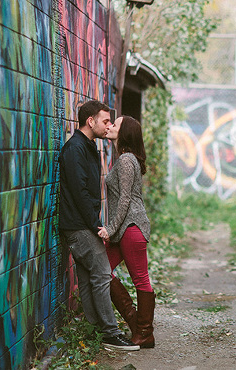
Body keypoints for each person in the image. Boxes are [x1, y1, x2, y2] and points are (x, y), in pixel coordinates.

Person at [59, 100, 139, 351]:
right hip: (79, 226)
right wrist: (96, 225)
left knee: (88, 278)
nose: (108, 126)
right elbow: (80, 192)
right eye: (105, 121)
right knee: (103, 275)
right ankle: (110, 333)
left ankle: (96, 330)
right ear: (90, 121)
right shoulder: (74, 149)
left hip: (82, 224)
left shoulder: (89, 147)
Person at [99, 116, 155, 348]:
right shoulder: (124, 159)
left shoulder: (125, 160)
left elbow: (124, 200)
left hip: (131, 227)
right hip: (124, 228)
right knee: (102, 271)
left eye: (116, 124)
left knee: (140, 279)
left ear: (124, 133)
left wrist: (110, 229)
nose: (110, 125)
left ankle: (144, 332)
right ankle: (135, 323)